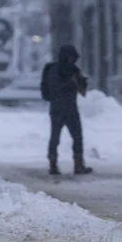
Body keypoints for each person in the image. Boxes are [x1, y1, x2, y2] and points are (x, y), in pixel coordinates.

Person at [40, 44, 92, 175]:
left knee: (73, 137)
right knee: (58, 137)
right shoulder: (54, 70)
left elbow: (83, 92)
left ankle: (75, 164)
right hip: (62, 108)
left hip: (66, 109)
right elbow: (54, 89)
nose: (72, 61)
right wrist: (71, 82)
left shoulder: (71, 70)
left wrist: (80, 81)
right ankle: (55, 164)